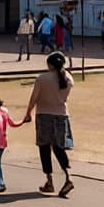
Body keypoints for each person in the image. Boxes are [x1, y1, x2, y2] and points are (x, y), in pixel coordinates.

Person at [23, 51, 75, 198]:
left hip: (44, 115)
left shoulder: (42, 78)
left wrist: (28, 113)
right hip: (61, 116)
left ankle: (50, 180)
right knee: (59, 147)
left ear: (50, 64)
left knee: (44, 147)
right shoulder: (68, 78)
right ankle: (68, 177)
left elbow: (34, 98)